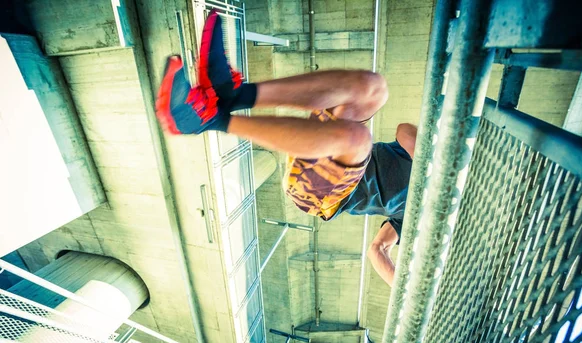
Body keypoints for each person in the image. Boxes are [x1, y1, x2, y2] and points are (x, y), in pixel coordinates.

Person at [156, 10, 416, 287]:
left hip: (325, 195)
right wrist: (430, 168)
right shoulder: (429, 162)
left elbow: (377, 250)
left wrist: (404, 290)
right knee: (373, 88)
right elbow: (405, 131)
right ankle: (234, 95)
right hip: (330, 145)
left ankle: (208, 119)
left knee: (358, 138)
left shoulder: (416, 215)